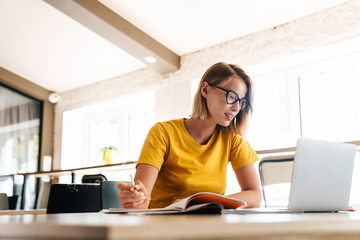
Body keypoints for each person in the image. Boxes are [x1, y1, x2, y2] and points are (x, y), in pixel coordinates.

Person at [117, 62, 261, 209]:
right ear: (205, 90)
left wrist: (205, 202)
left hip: (210, 227)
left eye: (241, 102)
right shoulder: (163, 133)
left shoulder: (233, 140)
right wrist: (135, 199)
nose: (236, 108)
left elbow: (255, 196)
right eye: (231, 96)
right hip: (164, 226)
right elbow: (140, 201)